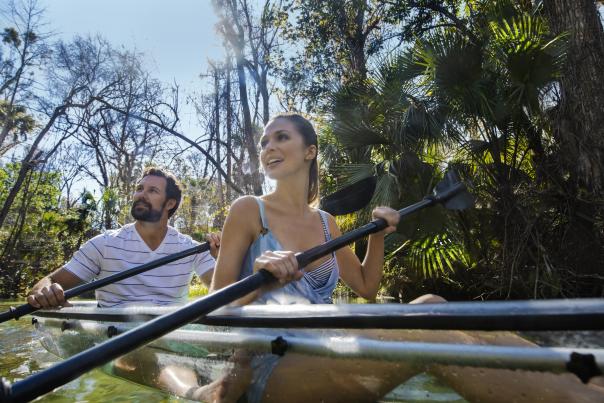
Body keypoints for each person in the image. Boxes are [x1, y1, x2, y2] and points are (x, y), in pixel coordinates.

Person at [204, 113, 604, 403]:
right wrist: (257, 278)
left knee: (434, 307)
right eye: (265, 142)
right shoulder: (247, 209)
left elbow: (365, 287)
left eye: (281, 138)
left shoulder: (328, 223)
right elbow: (215, 305)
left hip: (325, 350)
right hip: (267, 364)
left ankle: (584, 378)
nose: (269, 147)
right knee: (425, 330)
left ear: (310, 151)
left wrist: (379, 236)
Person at [26, 167, 220, 309]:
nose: (141, 195)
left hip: (169, 337)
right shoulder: (104, 244)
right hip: (114, 340)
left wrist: (221, 258)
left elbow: (221, 291)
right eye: (139, 189)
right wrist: (44, 292)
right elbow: (47, 282)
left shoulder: (191, 248)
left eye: (152, 191)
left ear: (170, 203)